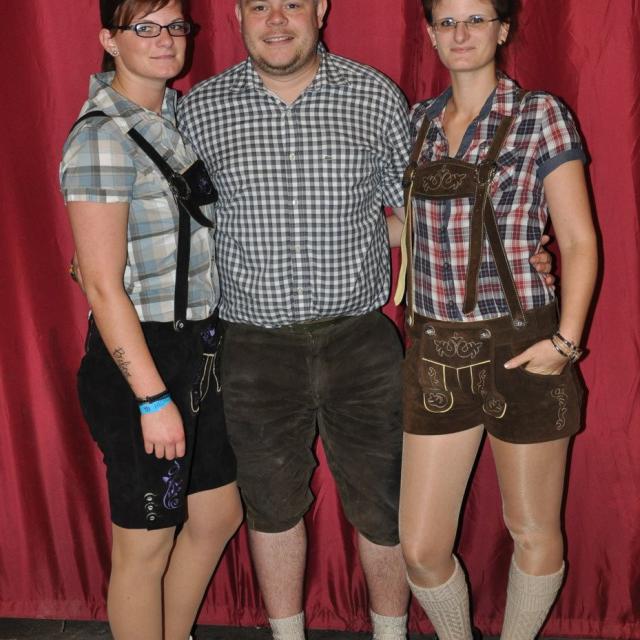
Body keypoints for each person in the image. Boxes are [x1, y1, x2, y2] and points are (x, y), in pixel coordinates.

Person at [177, 2, 555, 639]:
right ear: (238, 14)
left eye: (293, 3)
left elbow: (422, 211)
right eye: (260, 4)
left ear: (321, 10)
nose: (277, 19)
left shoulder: (374, 96)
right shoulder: (200, 110)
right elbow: (176, 216)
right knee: (271, 508)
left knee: (385, 507)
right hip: (253, 346)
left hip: (361, 340)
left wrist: (519, 255)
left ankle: (390, 635)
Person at [395, 1, 598, 639]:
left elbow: (579, 240)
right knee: (420, 549)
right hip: (435, 351)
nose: (461, 34)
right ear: (430, 33)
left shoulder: (540, 115)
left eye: (477, 19)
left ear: (502, 29)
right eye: (447, 22)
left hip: (523, 345)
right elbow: (409, 230)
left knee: (532, 529)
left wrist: (565, 342)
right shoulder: (417, 123)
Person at [59, 1, 242, 638]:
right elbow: (102, 287)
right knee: (146, 544)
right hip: (144, 357)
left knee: (217, 515)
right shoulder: (101, 137)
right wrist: (152, 398)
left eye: (175, 26)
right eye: (144, 27)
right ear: (110, 39)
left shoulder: (176, 117)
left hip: (204, 348)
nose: (165, 40)